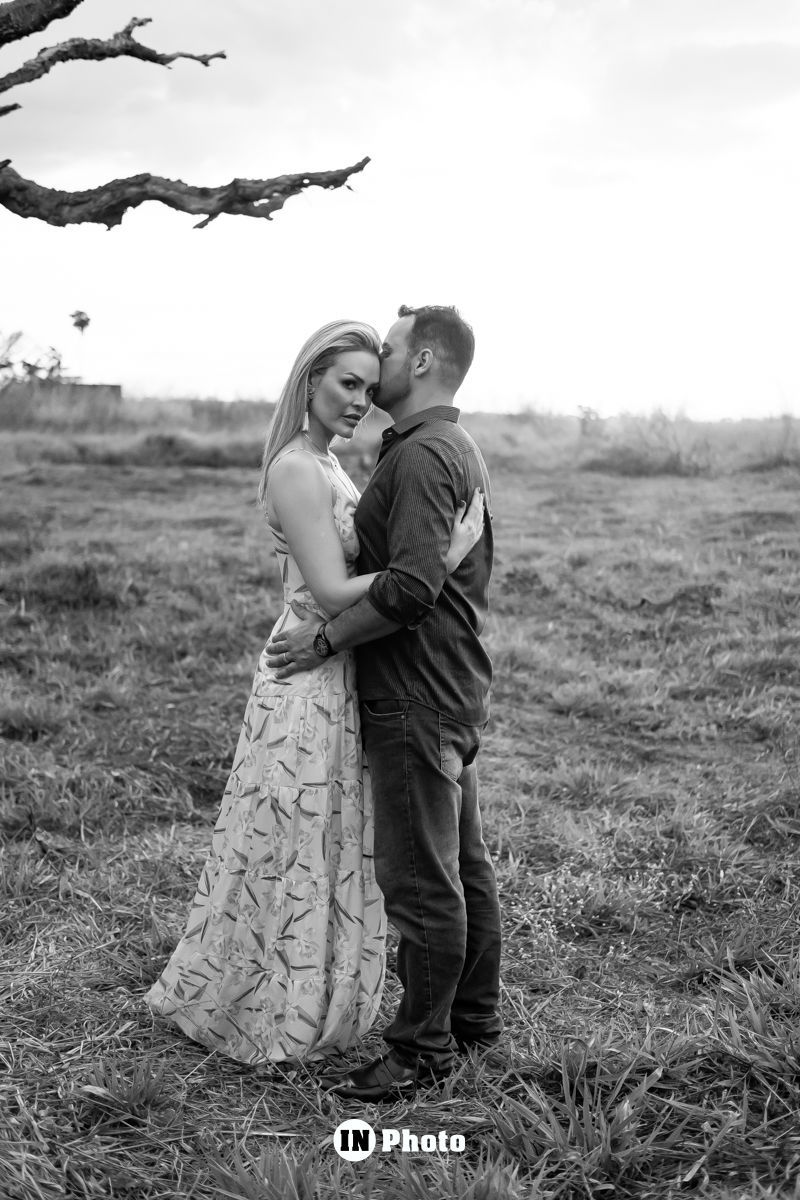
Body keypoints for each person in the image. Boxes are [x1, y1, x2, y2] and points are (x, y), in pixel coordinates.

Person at [144, 319, 483, 1065]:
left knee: (318, 842)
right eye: (348, 383)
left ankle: (307, 987)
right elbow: (331, 590)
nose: (361, 399)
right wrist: (439, 562)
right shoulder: (297, 468)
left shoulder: (329, 462)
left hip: (337, 670)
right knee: (288, 842)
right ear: (310, 381)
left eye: (369, 382)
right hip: (307, 671)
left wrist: (420, 567)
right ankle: (264, 999)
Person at [266, 305, 502, 1100]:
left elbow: (409, 587)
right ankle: (473, 1018)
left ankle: (422, 1049)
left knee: (419, 881)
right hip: (448, 683)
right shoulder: (439, 446)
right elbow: (418, 572)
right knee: (461, 866)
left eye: (391, 354)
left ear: (425, 359)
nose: (380, 366)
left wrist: (327, 640)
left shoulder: (428, 453)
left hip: (414, 690)